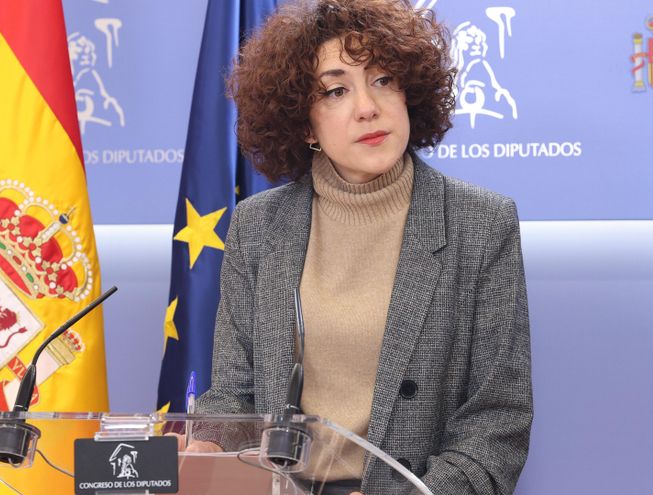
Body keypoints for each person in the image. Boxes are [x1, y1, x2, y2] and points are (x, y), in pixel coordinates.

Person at [191, 1, 532, 494]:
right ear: (305, 124)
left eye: (383, 80)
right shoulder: (258, 226)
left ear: (409, 91)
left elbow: (497, 424)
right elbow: (234, 393)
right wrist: (207, 447)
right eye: (335, 90)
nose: (367, 106)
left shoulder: (480, 225)